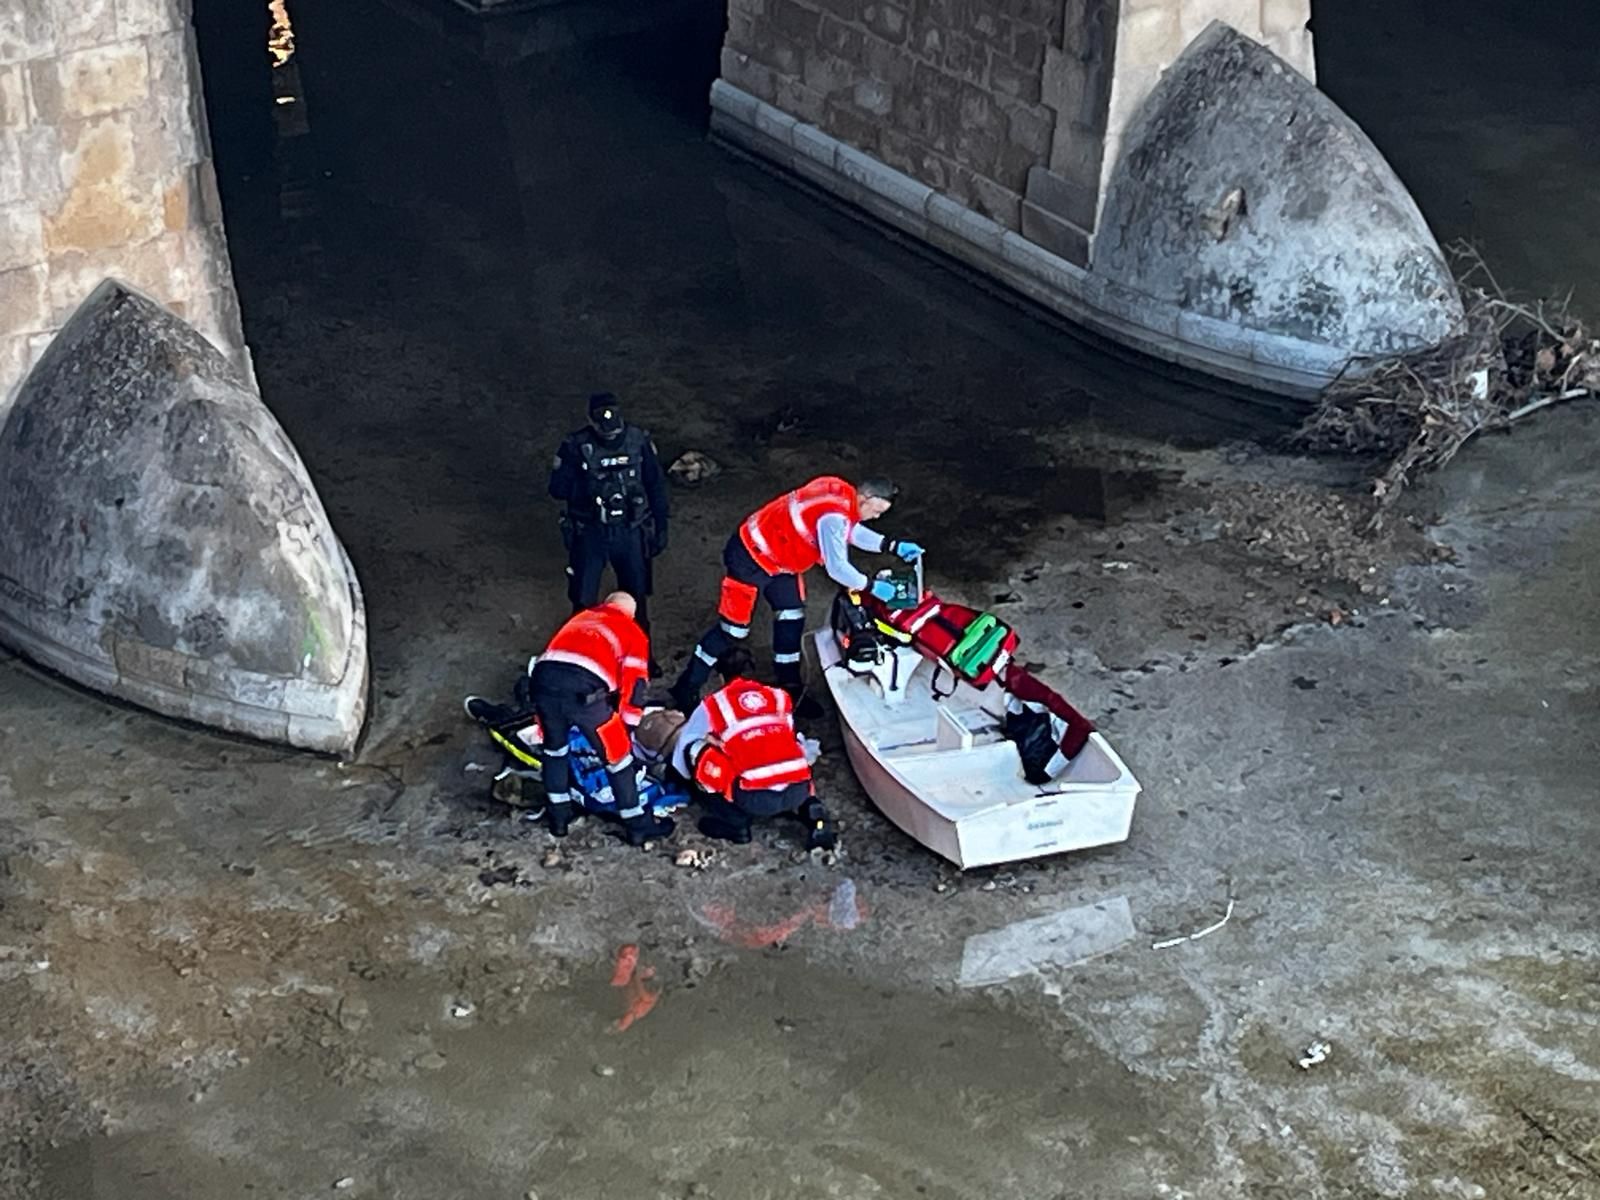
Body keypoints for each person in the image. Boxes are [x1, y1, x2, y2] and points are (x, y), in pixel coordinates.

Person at [669, 475, 922, 716]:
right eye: (876, 511)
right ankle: (686, 688)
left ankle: (791, 691)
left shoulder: (840, 492)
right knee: (732, 631)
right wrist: (870, 586)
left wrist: (890, 545)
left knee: (791, 618)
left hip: (781, 560)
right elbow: (838, 567)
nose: (875, 517)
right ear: (865, 498)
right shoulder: (833, 515)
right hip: (751, 558)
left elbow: (849, 531)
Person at [524, 592, 673, 845]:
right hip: (583, 692)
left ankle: (559, 818)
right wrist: (628, 725)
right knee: (619, 759)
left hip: (542, 681)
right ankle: (637, 825)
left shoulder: (582, 618)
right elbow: (635, 685)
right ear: (631, 614)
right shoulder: (631, 629)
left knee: (555, 750)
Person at [671, 647, 837, 849]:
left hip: (754, 799)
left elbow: (686, 742)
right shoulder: (778, 696)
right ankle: (813, 811)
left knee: (697, 749)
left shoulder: (715, 703)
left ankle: (735, 823)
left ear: (720, 676)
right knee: (784, 748)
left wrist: (681, 777)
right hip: (798, 789)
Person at [548, 393, 670, 666]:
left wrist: (661, 525)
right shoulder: (575, 446)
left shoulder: (638, 441)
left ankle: (642, 659)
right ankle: (579, 658)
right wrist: (585, 483)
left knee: (636, 599)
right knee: (583, 601)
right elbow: (557, 489)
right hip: (591, 531)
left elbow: (656, 486)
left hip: (630, 530)